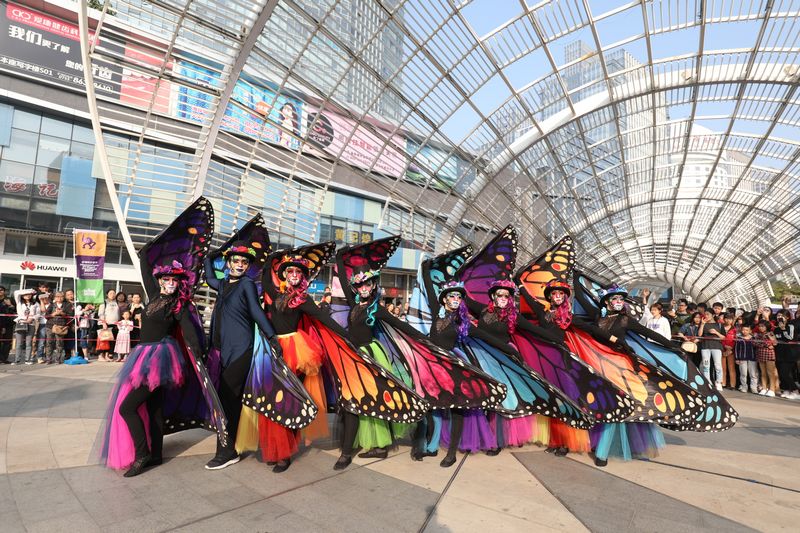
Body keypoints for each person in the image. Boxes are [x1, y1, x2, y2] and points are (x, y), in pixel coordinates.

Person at [257, 253, 350, 473]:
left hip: (295, 351)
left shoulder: (303, 299)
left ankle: (285, 453)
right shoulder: (275, 292)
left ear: (303, 276)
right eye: (290, 271)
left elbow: (323, 318)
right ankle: (277, 448)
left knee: (288, 401)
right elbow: (265, 279)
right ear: (284, 274)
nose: (294, 274)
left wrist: (346, 336)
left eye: (298, 271)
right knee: (272, 401)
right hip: (273, 349)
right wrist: (271, 259)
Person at [203, 240, 280, 471]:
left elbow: (256, 311)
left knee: (226, 399)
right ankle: (231, 449)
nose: (239, 264)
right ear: (228, 263)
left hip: (241, 349)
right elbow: (209, 277)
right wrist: (210, 257)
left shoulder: (247, 284)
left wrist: (272, 337)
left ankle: (226, 452)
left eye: (244, 262)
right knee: (230, 400)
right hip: (223, 350)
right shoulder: (223, 284)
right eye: (235, 260)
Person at [774, 312, 799, 399]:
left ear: (787, 317)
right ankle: (787, 389)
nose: (779, 317)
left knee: (785, 373)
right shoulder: (776, 329)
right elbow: (776, 341)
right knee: (781, 373)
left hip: (790, 353)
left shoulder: (790, 326)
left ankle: (796, 391)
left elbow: (790, 338)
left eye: (782, 316)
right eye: (778, 316)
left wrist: (783, 329)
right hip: (780, 353)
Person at [44, 291, 73, 365]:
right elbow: (46, 316)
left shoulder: (67, 305)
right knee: (49, 343)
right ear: (54, 297)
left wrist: (62, 313)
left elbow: (70, 315)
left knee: (59, 343)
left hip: (61, 326)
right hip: (50, 326)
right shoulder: (51, 305)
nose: (59, 298)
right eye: (57, 296)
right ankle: (48, 359)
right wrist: (54, 314)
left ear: (63, 297)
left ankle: (58, 359)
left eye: (61, 296)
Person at [700, 311, 725, 390]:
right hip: (705, 347)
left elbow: (723, 337)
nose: (706, 316)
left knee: (718, 365)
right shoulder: (703, 324)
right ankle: (707, 382)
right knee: (706, 365)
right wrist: (702, 324)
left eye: (708, 314)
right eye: (705, 314)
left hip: (716, 347)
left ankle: (719, 382)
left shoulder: (719, 325)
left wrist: (716, 332)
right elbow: (699, 335)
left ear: (713, 315)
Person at [12, 289, 38, 365]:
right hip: (21, 323)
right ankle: (17, 360)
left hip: (31, 324)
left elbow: (38, 314)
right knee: (19, 343)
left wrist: (32, 318)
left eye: (30, 294)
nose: (28, 295)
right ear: (22, 295)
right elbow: (16, 292)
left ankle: (27, 359)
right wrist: (29, 291)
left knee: (28, 343)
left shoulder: (35, 303)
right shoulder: (19, 302)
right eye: (26, 294)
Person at [753, 322, 779, 397]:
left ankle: (772, 389)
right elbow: (754, 343)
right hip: (760, 353)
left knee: (770, 373)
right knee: (763, 372)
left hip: (769, 354)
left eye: (763, 326)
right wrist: (767, 344)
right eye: (760, 326)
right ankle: (764, 388)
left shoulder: (770, 333)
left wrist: (769, 339)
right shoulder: (757, 334)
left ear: (767, 326)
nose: (761, 328)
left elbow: (775, 343)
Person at [735, 325, 758, 393]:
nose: (744, 331)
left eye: (746, 330)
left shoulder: (754, 338)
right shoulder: (739, 338)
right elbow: (736, 349)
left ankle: (753, 387)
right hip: (742, 358)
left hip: (752, 358)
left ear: (750, 331)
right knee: (743, 373)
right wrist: (737, 358)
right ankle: (744, 386)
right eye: (743, 330)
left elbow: (756, 348)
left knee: (753, 374)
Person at [720, 314, 738, 389]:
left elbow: (736, 340)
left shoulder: (735, 329)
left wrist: (731, 348)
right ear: (724, 319)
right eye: (726, 318)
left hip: (731, 350)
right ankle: (723, 383)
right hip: (722, 349)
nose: (728, 320)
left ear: (732, 320)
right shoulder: (720, 328)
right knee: (722, 368)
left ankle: (732, 385)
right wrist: (724, 346)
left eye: (730, 319)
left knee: (731, 368)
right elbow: (719, 339)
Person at [0, 286, 15, 364]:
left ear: (4, 291)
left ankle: (4, 359)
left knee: (7, 342)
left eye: (1, 290)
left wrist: (10, 305)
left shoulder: (9, 299)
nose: (0, 291)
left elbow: (14, 310)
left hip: (8, 324)